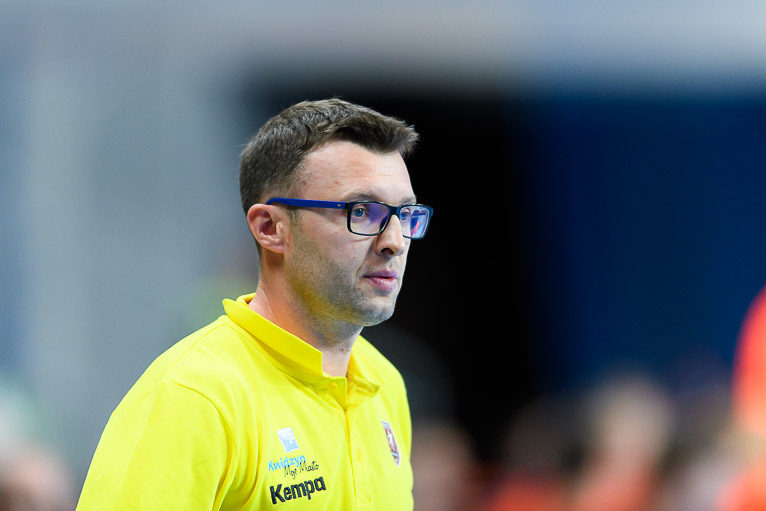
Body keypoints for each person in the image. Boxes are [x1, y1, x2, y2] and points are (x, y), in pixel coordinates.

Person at [76, 98, 434, 510]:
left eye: (405, 214)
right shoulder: (193, 395)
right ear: (270, 228)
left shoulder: (384, 383)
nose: (394, 242)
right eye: (363, 211)